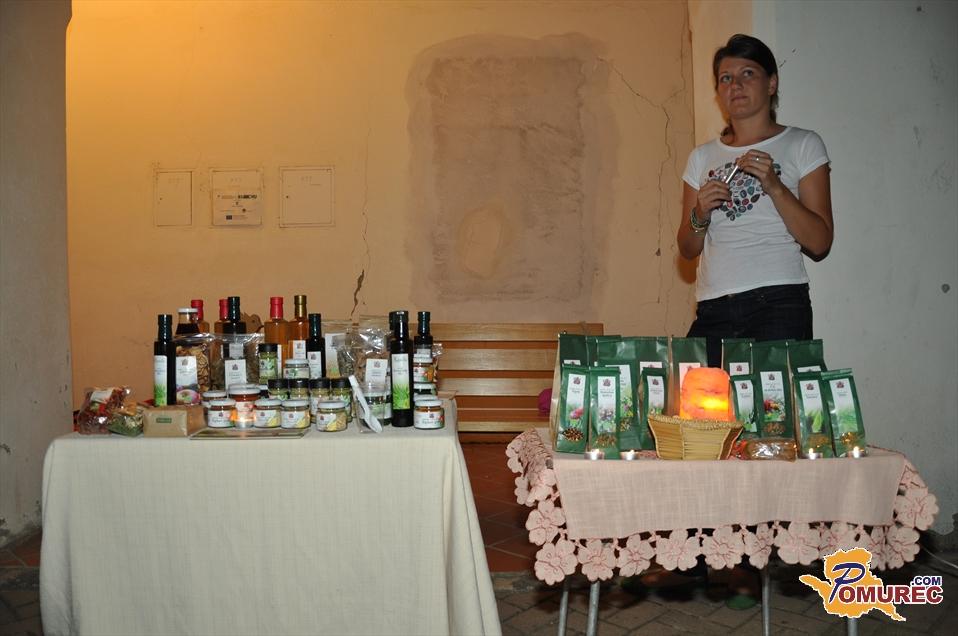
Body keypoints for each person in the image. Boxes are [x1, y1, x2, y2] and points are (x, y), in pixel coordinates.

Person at [677, 33, 833, 368]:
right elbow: (687, 249)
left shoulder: (803, 144)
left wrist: (775, 187)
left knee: (774, 403)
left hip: (778, 301)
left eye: (748, 73)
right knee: (694, 399)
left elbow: (820, 242)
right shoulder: (701, 157)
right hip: (713, 306)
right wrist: (701, 212)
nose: (735, 85)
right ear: (718, 92)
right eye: (726, 78)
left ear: (771, 83)